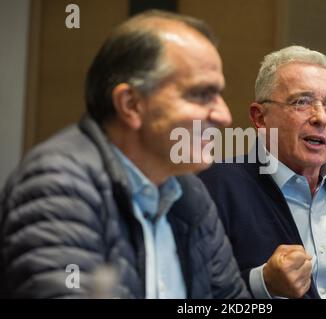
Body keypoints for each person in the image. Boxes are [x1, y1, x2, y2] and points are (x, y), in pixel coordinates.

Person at [0, 10, 249, 299]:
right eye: (201, 94)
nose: (224, 116)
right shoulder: (59, 184)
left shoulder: (189, 193)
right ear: (131, 105)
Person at [199, 46, 326, 299]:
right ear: (260, 118)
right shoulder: (216, 185)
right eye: (301, 102)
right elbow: (192, 294)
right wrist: (263, 284)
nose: (320, 118)